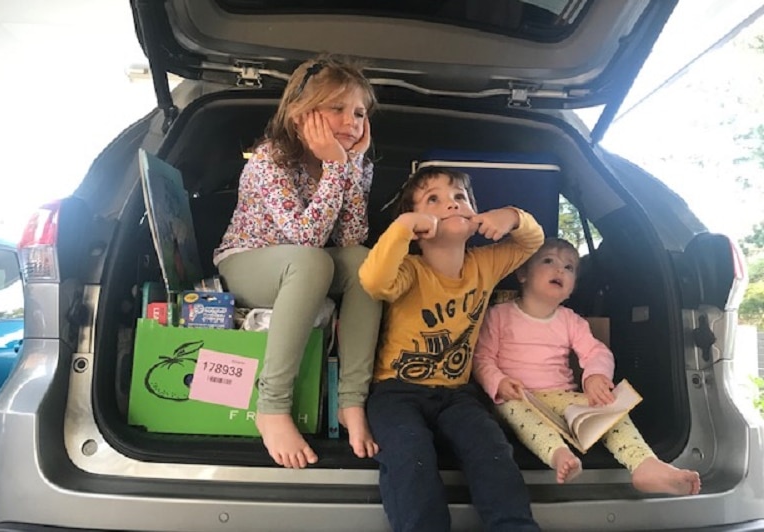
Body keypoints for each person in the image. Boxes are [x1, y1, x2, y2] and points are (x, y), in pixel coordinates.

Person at [213, 54, 382, 469]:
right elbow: (305, 237)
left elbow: (352, 238)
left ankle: (351, 401)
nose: (352, 121)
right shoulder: (270, 159)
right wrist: (337, 168)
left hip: (305, 264)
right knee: (311, 262)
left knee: (365, 262)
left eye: (360, 113)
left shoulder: (352, 165)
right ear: (301, 114)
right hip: (246, 262)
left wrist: (349, 168)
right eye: (337, 109)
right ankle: (271, 406)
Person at [359, 166, 543, 532]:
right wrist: (403, 226)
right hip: (396, 391)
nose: (452, 204)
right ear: (418, 227)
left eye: (460, 197)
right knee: (410, 456)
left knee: (492, 449)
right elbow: (374, 281)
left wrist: (510, 216)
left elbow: (531, 242)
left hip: (457, 393)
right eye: (434, 199)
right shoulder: (410, 270)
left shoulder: (485, 264)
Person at [473, 237, 701, 495]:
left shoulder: (570, 321)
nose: (560, 269)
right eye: (548, 261)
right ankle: (559, 455)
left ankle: (643, 464)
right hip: (516, 396)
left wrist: (595, 377)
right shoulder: (499, 315)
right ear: (523, 273)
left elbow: (597, 352)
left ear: (572, 288)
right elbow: (482, 358)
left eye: (569, 267)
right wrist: (499, 383)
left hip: (562, 398)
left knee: (609, 408)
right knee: (517, 411)